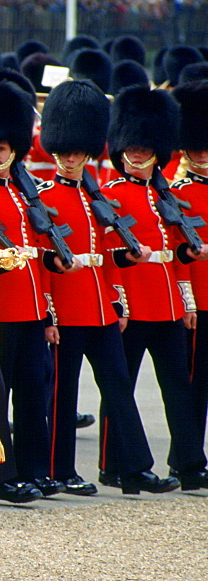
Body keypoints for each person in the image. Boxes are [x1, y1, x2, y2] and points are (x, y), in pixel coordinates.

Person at [37, 79, 179, 495]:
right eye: (65, 152)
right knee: (62, 397)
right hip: (66, 308)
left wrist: (118, 301)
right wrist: (48, 313)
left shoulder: (94, 195)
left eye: (78, 152)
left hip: (100, 308)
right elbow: (45, 261)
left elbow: (107, 253)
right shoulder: (43, 197)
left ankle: (134, 468)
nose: (71, 159)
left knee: (119, 386)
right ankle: (59, 470)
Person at [0, 76, 71, 501]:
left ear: (13, 149)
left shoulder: (29, 192)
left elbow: (38, 254)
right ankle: (3, 476)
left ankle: (35, 469)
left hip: (29, 309)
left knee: (34, 392)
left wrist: (47, 314)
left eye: (2, 148)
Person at [100, 84, 208, 489]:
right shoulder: (110, 195)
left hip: (166, 304)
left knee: (179, 386)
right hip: (133, 303)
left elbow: (176, 254)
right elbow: (109, 255)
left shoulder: (165, 197)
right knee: (121, 388)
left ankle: (191, 462)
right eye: (136, 147)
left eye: (148, 148)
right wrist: (119, 304)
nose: (141, 154)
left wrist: (187, 302)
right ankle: (116, 464)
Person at [172, 79, 208, 477]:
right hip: (199, 297)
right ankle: (188, 459)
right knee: (193, 385)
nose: (201, 154)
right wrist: (187, 301)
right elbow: (179, 252)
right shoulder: (179, 193)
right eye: (195, 148)